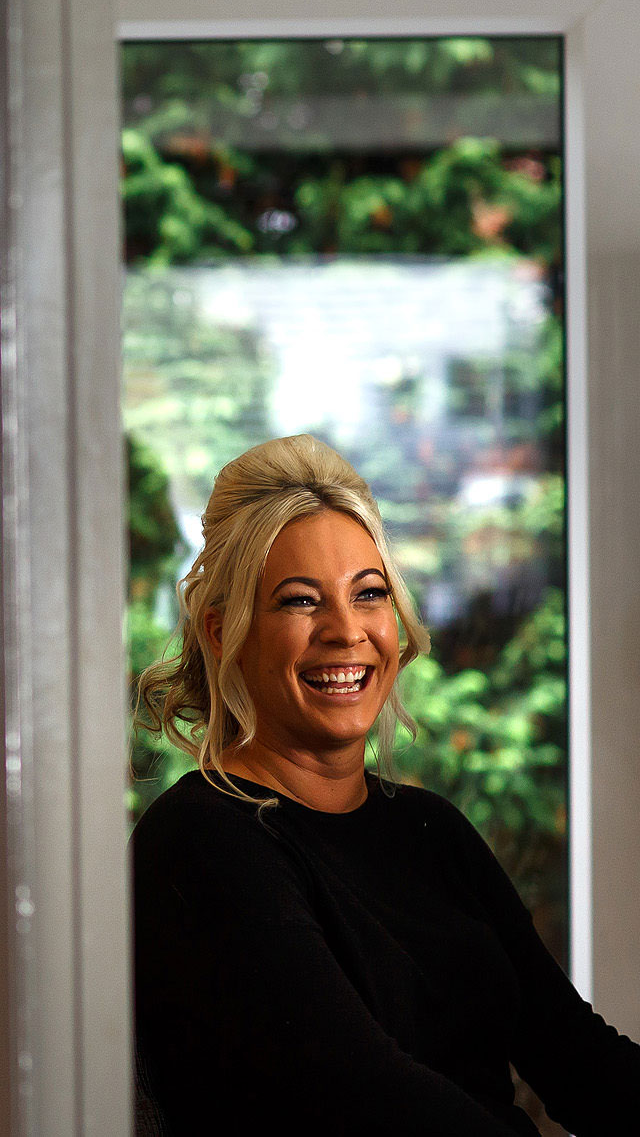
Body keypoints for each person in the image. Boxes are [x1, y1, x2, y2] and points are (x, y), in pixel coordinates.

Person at [131, 434, 640, 1136]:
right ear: (223, 632)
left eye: (368, 594)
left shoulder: (431, 831)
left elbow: (578, 1056)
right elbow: (370, 1102)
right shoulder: (200, 842)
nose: (346, 631)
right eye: (300, 601)